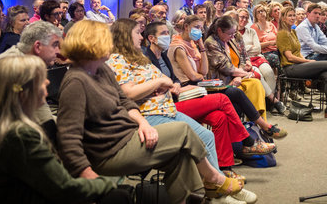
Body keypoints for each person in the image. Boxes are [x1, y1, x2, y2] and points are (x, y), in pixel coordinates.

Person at [57, 20, 242, 204]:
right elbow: (68, 137)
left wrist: (143, 123)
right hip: (110, 152)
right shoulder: (76, 82)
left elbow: (124, 101)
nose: (112, 44)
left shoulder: (100, 70)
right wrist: (85, 171)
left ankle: (193, 198)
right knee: (183, 130)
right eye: (106, 40)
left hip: (127, 136)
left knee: (181, 156)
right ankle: (215, 179)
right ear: (91, 44)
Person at [146, 18, 274, 189]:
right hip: (170, 105)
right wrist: (174, 85)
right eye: (163, 34)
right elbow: (183, 80)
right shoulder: (150, 57)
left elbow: (186, 77)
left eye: (167, 33)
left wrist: (200, 48)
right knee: (224, 98)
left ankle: (224, 169)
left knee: (219, 116)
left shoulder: (162, 55)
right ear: (151, 38)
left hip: (183, 93)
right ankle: (248, 142)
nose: (167, 36)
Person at [0, 55, 123, 204]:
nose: (47, 82)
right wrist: (108, 184)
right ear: (24, 93)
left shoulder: (2, 127)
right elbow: (65, 188)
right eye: (41, 79)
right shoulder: (21, 135)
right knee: (118, 196)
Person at [205, 16, 288, 139]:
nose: (233, 36)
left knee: (256, 84)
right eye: (230, 33)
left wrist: (242, 73)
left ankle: (259, 128)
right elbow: (226, 68)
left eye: (234, 33)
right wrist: (243, 74)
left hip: (237, 78)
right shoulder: (211, 43)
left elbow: (242, 59)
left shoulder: (229, 40)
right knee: (241, 94)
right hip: (221, 83)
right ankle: (263, 127)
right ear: (219, 31)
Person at [278, 6, 327, 119]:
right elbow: (290, 57)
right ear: (283, 18)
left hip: (300, 64)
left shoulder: (292, 31)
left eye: (293, 15)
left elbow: (298, 52)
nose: (292, 18)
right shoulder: (283, 33)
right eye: (289, 15)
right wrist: (307, 61)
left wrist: (306, 62)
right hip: (290, 68)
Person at [236, 8, 285, 114]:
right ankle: (274, 101)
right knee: (259, 75)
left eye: (246, 17)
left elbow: (258, 48)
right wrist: (248, 48)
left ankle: (267, 102)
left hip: (257, 57)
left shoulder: (251, 31)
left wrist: (245, 48)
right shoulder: (234, 32)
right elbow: (238, 51)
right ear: (237, 17)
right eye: (241, 17)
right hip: (245, 60)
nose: (244, 19)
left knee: (269, 73)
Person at [250, 4, 281, 71]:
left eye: (263, 11)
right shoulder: (254, 27)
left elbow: (278, 38)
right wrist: (269, 43)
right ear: (256, 15)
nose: (261, 13)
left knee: (286, 55)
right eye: (259, 12)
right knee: (275, 58)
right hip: (264, 53)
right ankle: (283, 78)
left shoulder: (270, 24)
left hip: (276, 50)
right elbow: (256, 46)